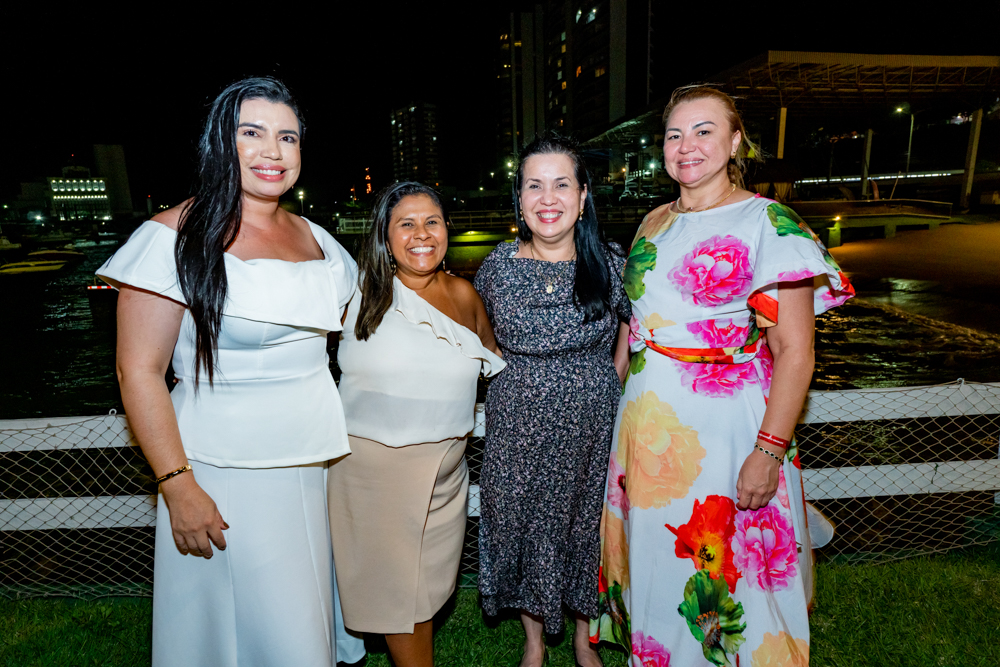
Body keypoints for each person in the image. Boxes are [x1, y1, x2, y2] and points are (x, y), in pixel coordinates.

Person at [97, 77, 365, 667]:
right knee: (229, 636)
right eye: (252, 133)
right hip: (221, 477)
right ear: (221, 142)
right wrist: (178, 486)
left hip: (313, 468)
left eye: (287, 136)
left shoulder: (319, 240)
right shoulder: (173, 237)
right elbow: (137, 370)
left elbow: (364, 336)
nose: (272, 151)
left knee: (302, 629)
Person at [594, 85, 855, 666]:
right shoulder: (653, 220)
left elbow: (794, 351)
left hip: (723, 427)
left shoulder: (768, 221)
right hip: (645, 421)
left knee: (726, 561)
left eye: (704, 130)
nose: (687, 146)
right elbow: (634, 322)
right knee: (658, 558)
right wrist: (613, 403)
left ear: (736, 140)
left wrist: (769, 449)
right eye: (674, 134)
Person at [328, 182, 504, 667]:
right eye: (406, 223)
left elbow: (494, 360)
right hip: (374, 474)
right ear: (385, 236)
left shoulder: (465, 296)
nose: (421, 234)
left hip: (448, 472)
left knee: (426, 594)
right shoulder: (354, 293)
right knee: (400, 602)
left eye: (432, 221)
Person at [474, 133, 632, 667]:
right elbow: (481, 340)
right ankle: (535, 644)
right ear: (519, 199)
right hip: (517, 426)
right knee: (522, 524)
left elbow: (628, 335)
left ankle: (585, 642)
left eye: (562, 184)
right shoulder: (495, 269)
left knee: (584, 525)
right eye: (534, 186)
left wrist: (602, 388)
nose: (548, 198)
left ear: (583, 196)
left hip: (591, 425)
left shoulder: (609, 262)